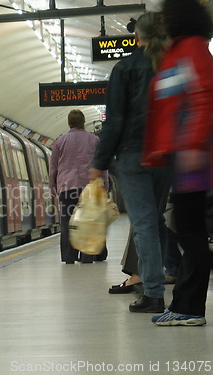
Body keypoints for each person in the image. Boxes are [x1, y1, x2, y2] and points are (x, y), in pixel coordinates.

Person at [89, 12, 172, 313]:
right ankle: (165, 271)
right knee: (157, 218)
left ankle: (153, 293)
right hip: (166, 156)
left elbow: (115, 120)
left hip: (133, 155)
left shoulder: (125, 68)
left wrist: (99, 161)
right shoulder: (171, 66)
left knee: (145, 224)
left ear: (138, 36)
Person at [143, 0, 212, 326]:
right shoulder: (181, 49)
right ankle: (185, 304)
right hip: (183, 152)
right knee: (186, 228)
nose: (161, 22)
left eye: (165, 16)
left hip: (191, 155)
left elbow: (203, 97)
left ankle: (190, 307)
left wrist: (194, 145)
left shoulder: (193, 49)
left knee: (189, 230)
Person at [49, 109, 107, 264]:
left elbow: (53, 167)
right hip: (89, 188)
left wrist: (52, 187)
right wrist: (105, 186)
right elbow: (102, 164)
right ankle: (87, 256)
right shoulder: (94, 140)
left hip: (66, 188)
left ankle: (69, 257)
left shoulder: (60, 141)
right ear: (83, 122)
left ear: (69, 123)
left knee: (67, 222)